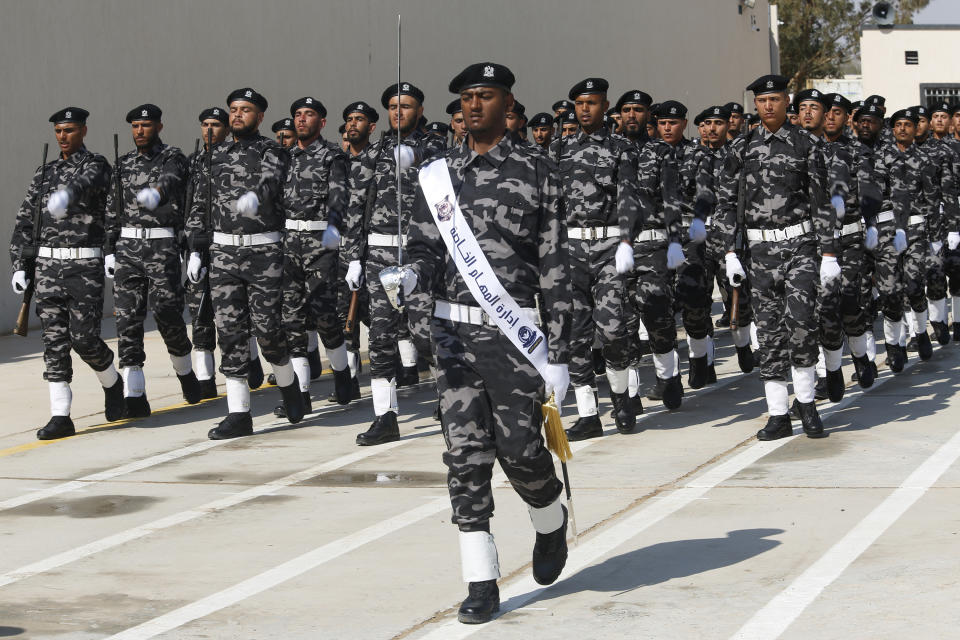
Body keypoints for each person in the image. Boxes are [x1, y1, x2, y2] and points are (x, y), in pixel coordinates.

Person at [404, 61, 571, 625]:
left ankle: (550, 521)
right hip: (451, 332)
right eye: (468, 97)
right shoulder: (437, 176)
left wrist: (563, 353)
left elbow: (556, 264)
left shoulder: (539, 170)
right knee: (464, 457)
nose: (475, 105)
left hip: (513, 334)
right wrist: (413, 289)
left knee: (522, 452)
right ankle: (481, 582)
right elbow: (424, 248)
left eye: (487, 96)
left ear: (508, 103)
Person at [715, 75, 836, 441]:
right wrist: (728, 253)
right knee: (768, 333)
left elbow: (822, 200)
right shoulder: (740, 147)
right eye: (762, 100)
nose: (768, 106)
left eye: (775, 99)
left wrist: (829, 252)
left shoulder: (806, 145)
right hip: (759, 252)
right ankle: (778, 413)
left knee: (800, 325)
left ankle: (808, 405)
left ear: (787, 103)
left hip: (799, 246)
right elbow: (724, 203)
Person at [186, 87, 305, 439]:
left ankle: (289, 386)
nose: (238, 115)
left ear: (261, 116)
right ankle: (239, 413)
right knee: (230, 332)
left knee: (268, 332)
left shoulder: (273, 151)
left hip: (263, 253)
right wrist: (195, 248)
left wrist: (256, 196)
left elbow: (273, 184)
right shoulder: (214, 154)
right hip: (223, 254)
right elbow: (200, 203)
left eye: (246, 110)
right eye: (234, 109)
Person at [9, 106, 124, 439]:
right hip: (47, 267)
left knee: (84, 338)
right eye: (59, 131)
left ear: (83, 131)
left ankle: (112, 382)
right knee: (54, 342)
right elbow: (25, 222)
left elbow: (89, 184)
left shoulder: (97, 166)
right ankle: (61, 415)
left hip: (82, 267)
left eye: (70, 130)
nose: (63, 136)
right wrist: (20, 264)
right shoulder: (43, 173)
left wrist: (66, 196)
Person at [342, 81, 444, 445]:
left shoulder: (435, 147)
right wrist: (353, 257)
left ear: (419, 109)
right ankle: (385, 416)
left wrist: (418, 157)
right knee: (382, 339)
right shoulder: (374, 152)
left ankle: (450, 401)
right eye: (392, 106)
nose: (398, 112)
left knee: (427, 333)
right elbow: (355, 206)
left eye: (406, 106)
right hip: (379, 256)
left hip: (420, 255)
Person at [553, 77, 639, 442]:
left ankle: (620, 395)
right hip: (571, 251)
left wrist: (625, 241)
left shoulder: (621, 148)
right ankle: (588, 413)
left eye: (592, 103)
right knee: (576, 335)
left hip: (607, 248)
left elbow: (630, 197)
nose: (584, 109)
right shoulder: (559, 149)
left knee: (613, 328)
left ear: (606, 107)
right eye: (579, 104)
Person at [104, 103, 200, 417]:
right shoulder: (123, 163)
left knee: (167, 315)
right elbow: (111, 208)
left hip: (162, 248)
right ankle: (135, 394)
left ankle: (185, 372)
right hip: (128, 249)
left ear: (158, 126)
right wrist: (108, 247)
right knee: (127, 321)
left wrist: (156, 191)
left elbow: (173, 181)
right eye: (135, 126)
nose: (139, 131)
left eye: (145, 125)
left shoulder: (173, 157)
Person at [276, 96, 354, 417]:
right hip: (289, 243)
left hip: (320, 242)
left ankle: (343, 377)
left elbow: (339, 197)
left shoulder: (332, 156)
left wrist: (334, 229)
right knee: (292, 318)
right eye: (297, 115)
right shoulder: (285, 158)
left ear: (321, 122)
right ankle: (302, 394)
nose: (301, 120)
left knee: (324, 317)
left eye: (308, 115)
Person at [185, 107, 230, 398]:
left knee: (233, 314)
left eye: (215, 124)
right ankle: (205, 378)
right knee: (199, 312)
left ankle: (246, 361)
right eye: (205, 124)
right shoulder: (192, 162)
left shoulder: (235, 159)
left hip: (229, 245)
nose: (209, 129)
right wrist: (190, 249)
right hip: (197, 246)